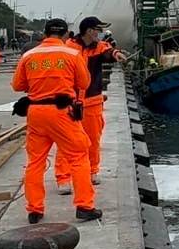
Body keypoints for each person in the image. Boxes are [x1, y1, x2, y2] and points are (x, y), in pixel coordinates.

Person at [11, 18, 100, 224]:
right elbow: (84, 82)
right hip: (61, 112)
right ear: (66, 35)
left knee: (35, 162)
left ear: (44, 33)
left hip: (35, 112)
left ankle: (34, 210)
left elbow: (17, 85)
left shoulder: (29, 55)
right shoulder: (71, 54)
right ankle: (84, 206)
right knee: (78, 156)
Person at [55, 17, 128, 193]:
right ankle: (64, 178)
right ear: (89, 30)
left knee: (93, 139)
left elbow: (109, 52)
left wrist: (117, 55)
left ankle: (92, 171)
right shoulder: (69, 48)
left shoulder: (100, 47)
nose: (99, 33)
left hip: (92, 101)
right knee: (67, 141)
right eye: (97, 30)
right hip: (70, 101)